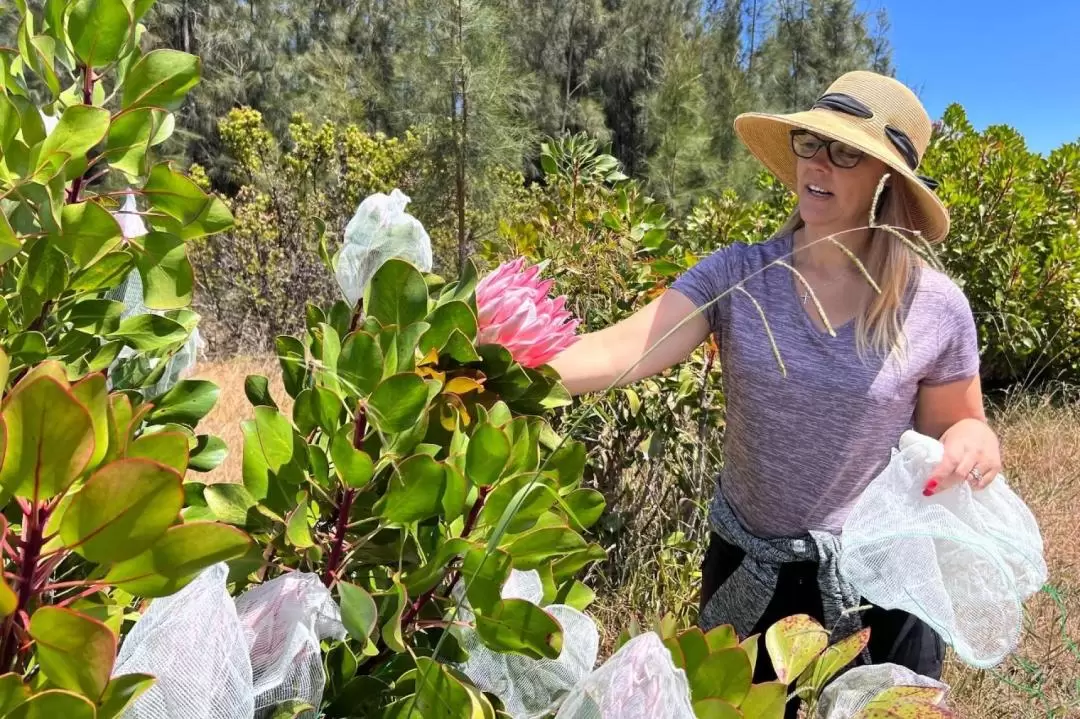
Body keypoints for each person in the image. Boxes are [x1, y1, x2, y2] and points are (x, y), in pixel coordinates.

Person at [549, 71, 1000, 714]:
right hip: (749, 569)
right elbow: (630, 346)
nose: (818, 162)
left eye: (846, 152)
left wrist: (974, 441)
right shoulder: (739, 275)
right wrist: (506, 366)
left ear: (885, 179)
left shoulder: (934, 306)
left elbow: (957, 423)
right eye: (810, 141)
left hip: (882, 582)